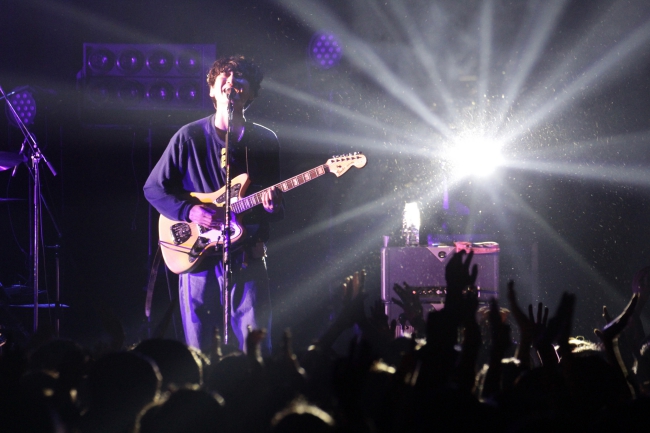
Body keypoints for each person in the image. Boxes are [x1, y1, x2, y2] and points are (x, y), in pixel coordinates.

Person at [144, 55, 283, 354]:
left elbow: (274, 207)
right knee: (200, 347)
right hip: (199, 257)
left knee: (255, 349)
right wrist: (190, 211)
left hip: (246, 256)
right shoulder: (189, 137)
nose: (231, 82)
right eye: (225, 76)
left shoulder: (265, 140)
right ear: (212, 88)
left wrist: (271, 207)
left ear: (251, 93)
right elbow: (153, 188)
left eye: (240, 78)